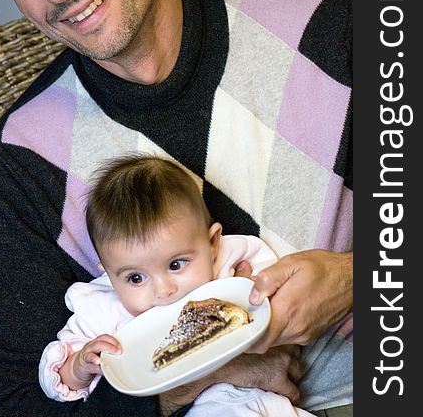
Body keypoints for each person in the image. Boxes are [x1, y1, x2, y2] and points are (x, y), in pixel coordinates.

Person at [0, 0, 353, 417]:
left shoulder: (331, 29)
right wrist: (199, 374)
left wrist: (364, 277)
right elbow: (17, 406)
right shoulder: (16, 171)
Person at [39, 154, 314, 417]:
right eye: (135, 278)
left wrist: (251, 295)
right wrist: (78, 367)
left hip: (267, 400)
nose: (163, 290)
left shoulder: (232, 263)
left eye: (176, 265)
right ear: (110, 277)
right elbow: (56, 378)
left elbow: (283, 292)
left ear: (212, 243)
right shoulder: (102, 309)